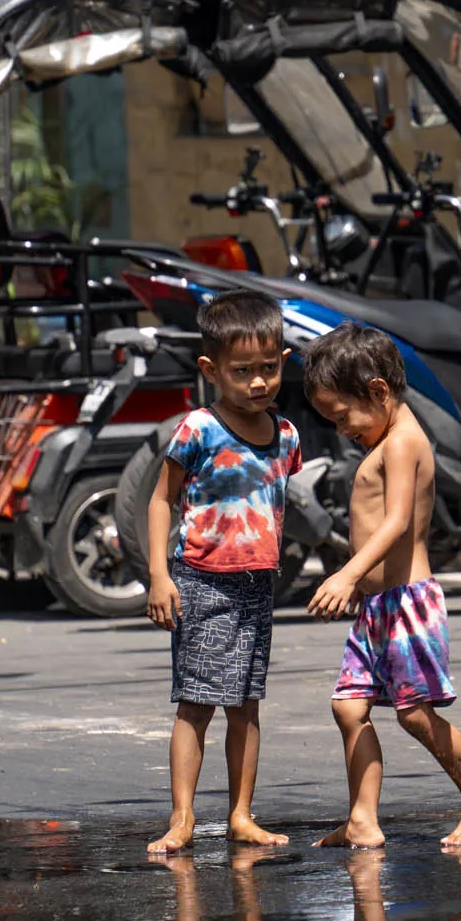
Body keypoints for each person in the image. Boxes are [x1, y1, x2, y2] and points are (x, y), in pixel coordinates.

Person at [303, 322, 461, 849]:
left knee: (415, 714)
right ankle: (362, 820)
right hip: (376, 607)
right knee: (349, 707)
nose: (342, 429)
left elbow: (395, 524)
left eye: (343, 416)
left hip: (407, 603)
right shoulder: (387, 438)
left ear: (377, 391)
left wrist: (347, 572)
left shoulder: (404, 442)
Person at [144, 289, 300, 855]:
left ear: (283, 363)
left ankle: (240, 814)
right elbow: (161, 500)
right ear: (211, 370)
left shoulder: (287, 436)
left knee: (246, 703)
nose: (257, 383)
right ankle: (182, 817)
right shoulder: (199, 429)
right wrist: (160, 576)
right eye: (242, 372)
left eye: (267, 369)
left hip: (258, 584)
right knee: (195, 703)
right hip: (201, 580)